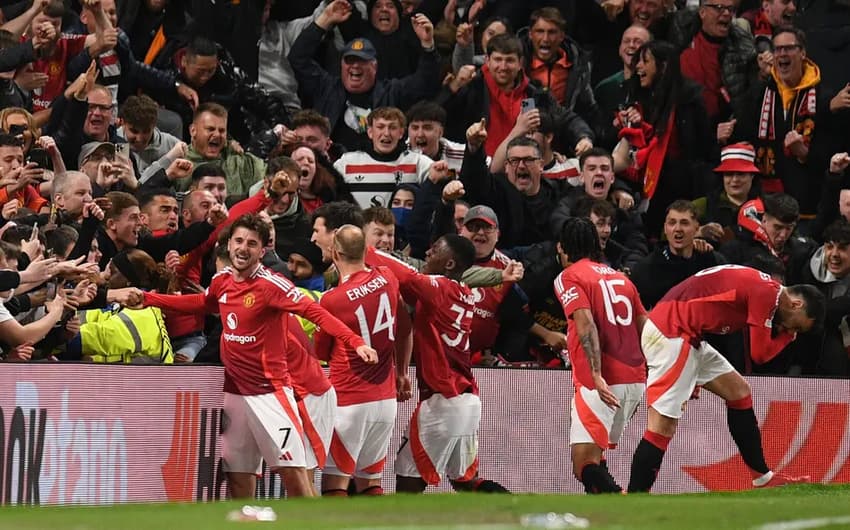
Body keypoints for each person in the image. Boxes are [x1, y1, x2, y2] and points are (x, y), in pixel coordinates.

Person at [130, 213, 378, 499]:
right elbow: (203, 302)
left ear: (262, 251)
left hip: (269, 393)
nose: (242, 248)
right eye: (238, 241)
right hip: (235, 394)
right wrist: (149, 299)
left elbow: (315, 312)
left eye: (251, 243)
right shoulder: (222, 280)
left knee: (295, 477)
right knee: (237, 478)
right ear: (229, 244)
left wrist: (355, 341)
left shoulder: (271, 285)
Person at [628, 264, 824, 492]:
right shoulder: (768, 294)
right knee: (662, 426)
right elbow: (760, 354)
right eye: (796, 326)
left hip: (686, 332)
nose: (790, 329)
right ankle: (635, 496)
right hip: (673, 332)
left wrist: (691, 374)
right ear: (796, 304)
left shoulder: (764, 287)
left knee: (738, 392)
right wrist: (786, 338)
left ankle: (763, 477)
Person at [365, 235, 509, 493]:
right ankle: (516, 511)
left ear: (450, 263)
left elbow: (406, 275)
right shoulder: (463, 292)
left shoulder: (439, 287)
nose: (428, 253)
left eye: (435, 251)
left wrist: (362, 248)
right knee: (466, 481)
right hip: (465, 400)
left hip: (443, 399)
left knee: (408, 482)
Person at [554, 218, 647, 493]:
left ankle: (626, 505)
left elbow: (585, 322)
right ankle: (607, 516)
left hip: (601, 381)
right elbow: (646, 327)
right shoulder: (621, 278)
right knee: (597, 455)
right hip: (635, 381)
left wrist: (596, 374)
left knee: (583, 463)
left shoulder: (569, 276)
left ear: (563, 248)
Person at [287, 0, 441, 151]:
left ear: (374, 67)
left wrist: (428, 45)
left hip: (378, 168)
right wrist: (323, 20)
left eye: (362, 61)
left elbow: (426, 81)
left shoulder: (391, 92)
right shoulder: (326, 87)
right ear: (341, 65)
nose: (355, 66)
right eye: (350, 60)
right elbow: (298, 58)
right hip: (333, 166)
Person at [316, 225, 401, 496]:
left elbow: (320, 353)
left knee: (335, 482)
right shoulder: (388, 277)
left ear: (334, 253)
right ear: (365, 250)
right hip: (385, 401)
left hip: (350, 400)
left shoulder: (331, 299)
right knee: (370, 481)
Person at [334, 107, 431, 209]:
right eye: (380, 127)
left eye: (393, 128)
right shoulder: (346, 162)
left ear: (401, 133)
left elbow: (443, 183)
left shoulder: (418, 162)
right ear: (370, 132)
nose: (386, 133)